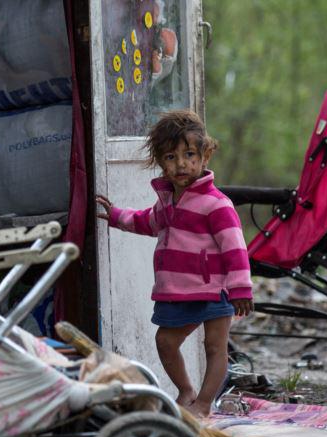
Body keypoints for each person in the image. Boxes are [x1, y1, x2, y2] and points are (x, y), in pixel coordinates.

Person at [96, 110, 253, 416]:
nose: (181, 164)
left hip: (215, 288)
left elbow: (235, 247)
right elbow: (147, 222)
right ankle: (186, 391)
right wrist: (116, 216)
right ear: (160, 162)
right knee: (166, 342)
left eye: (189, 154)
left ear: (204, 157)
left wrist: (241, 288)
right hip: (179, 289)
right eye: (170, 157)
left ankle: (204, 405)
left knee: (214, 348)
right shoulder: (166, 202)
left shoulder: (217, 204)